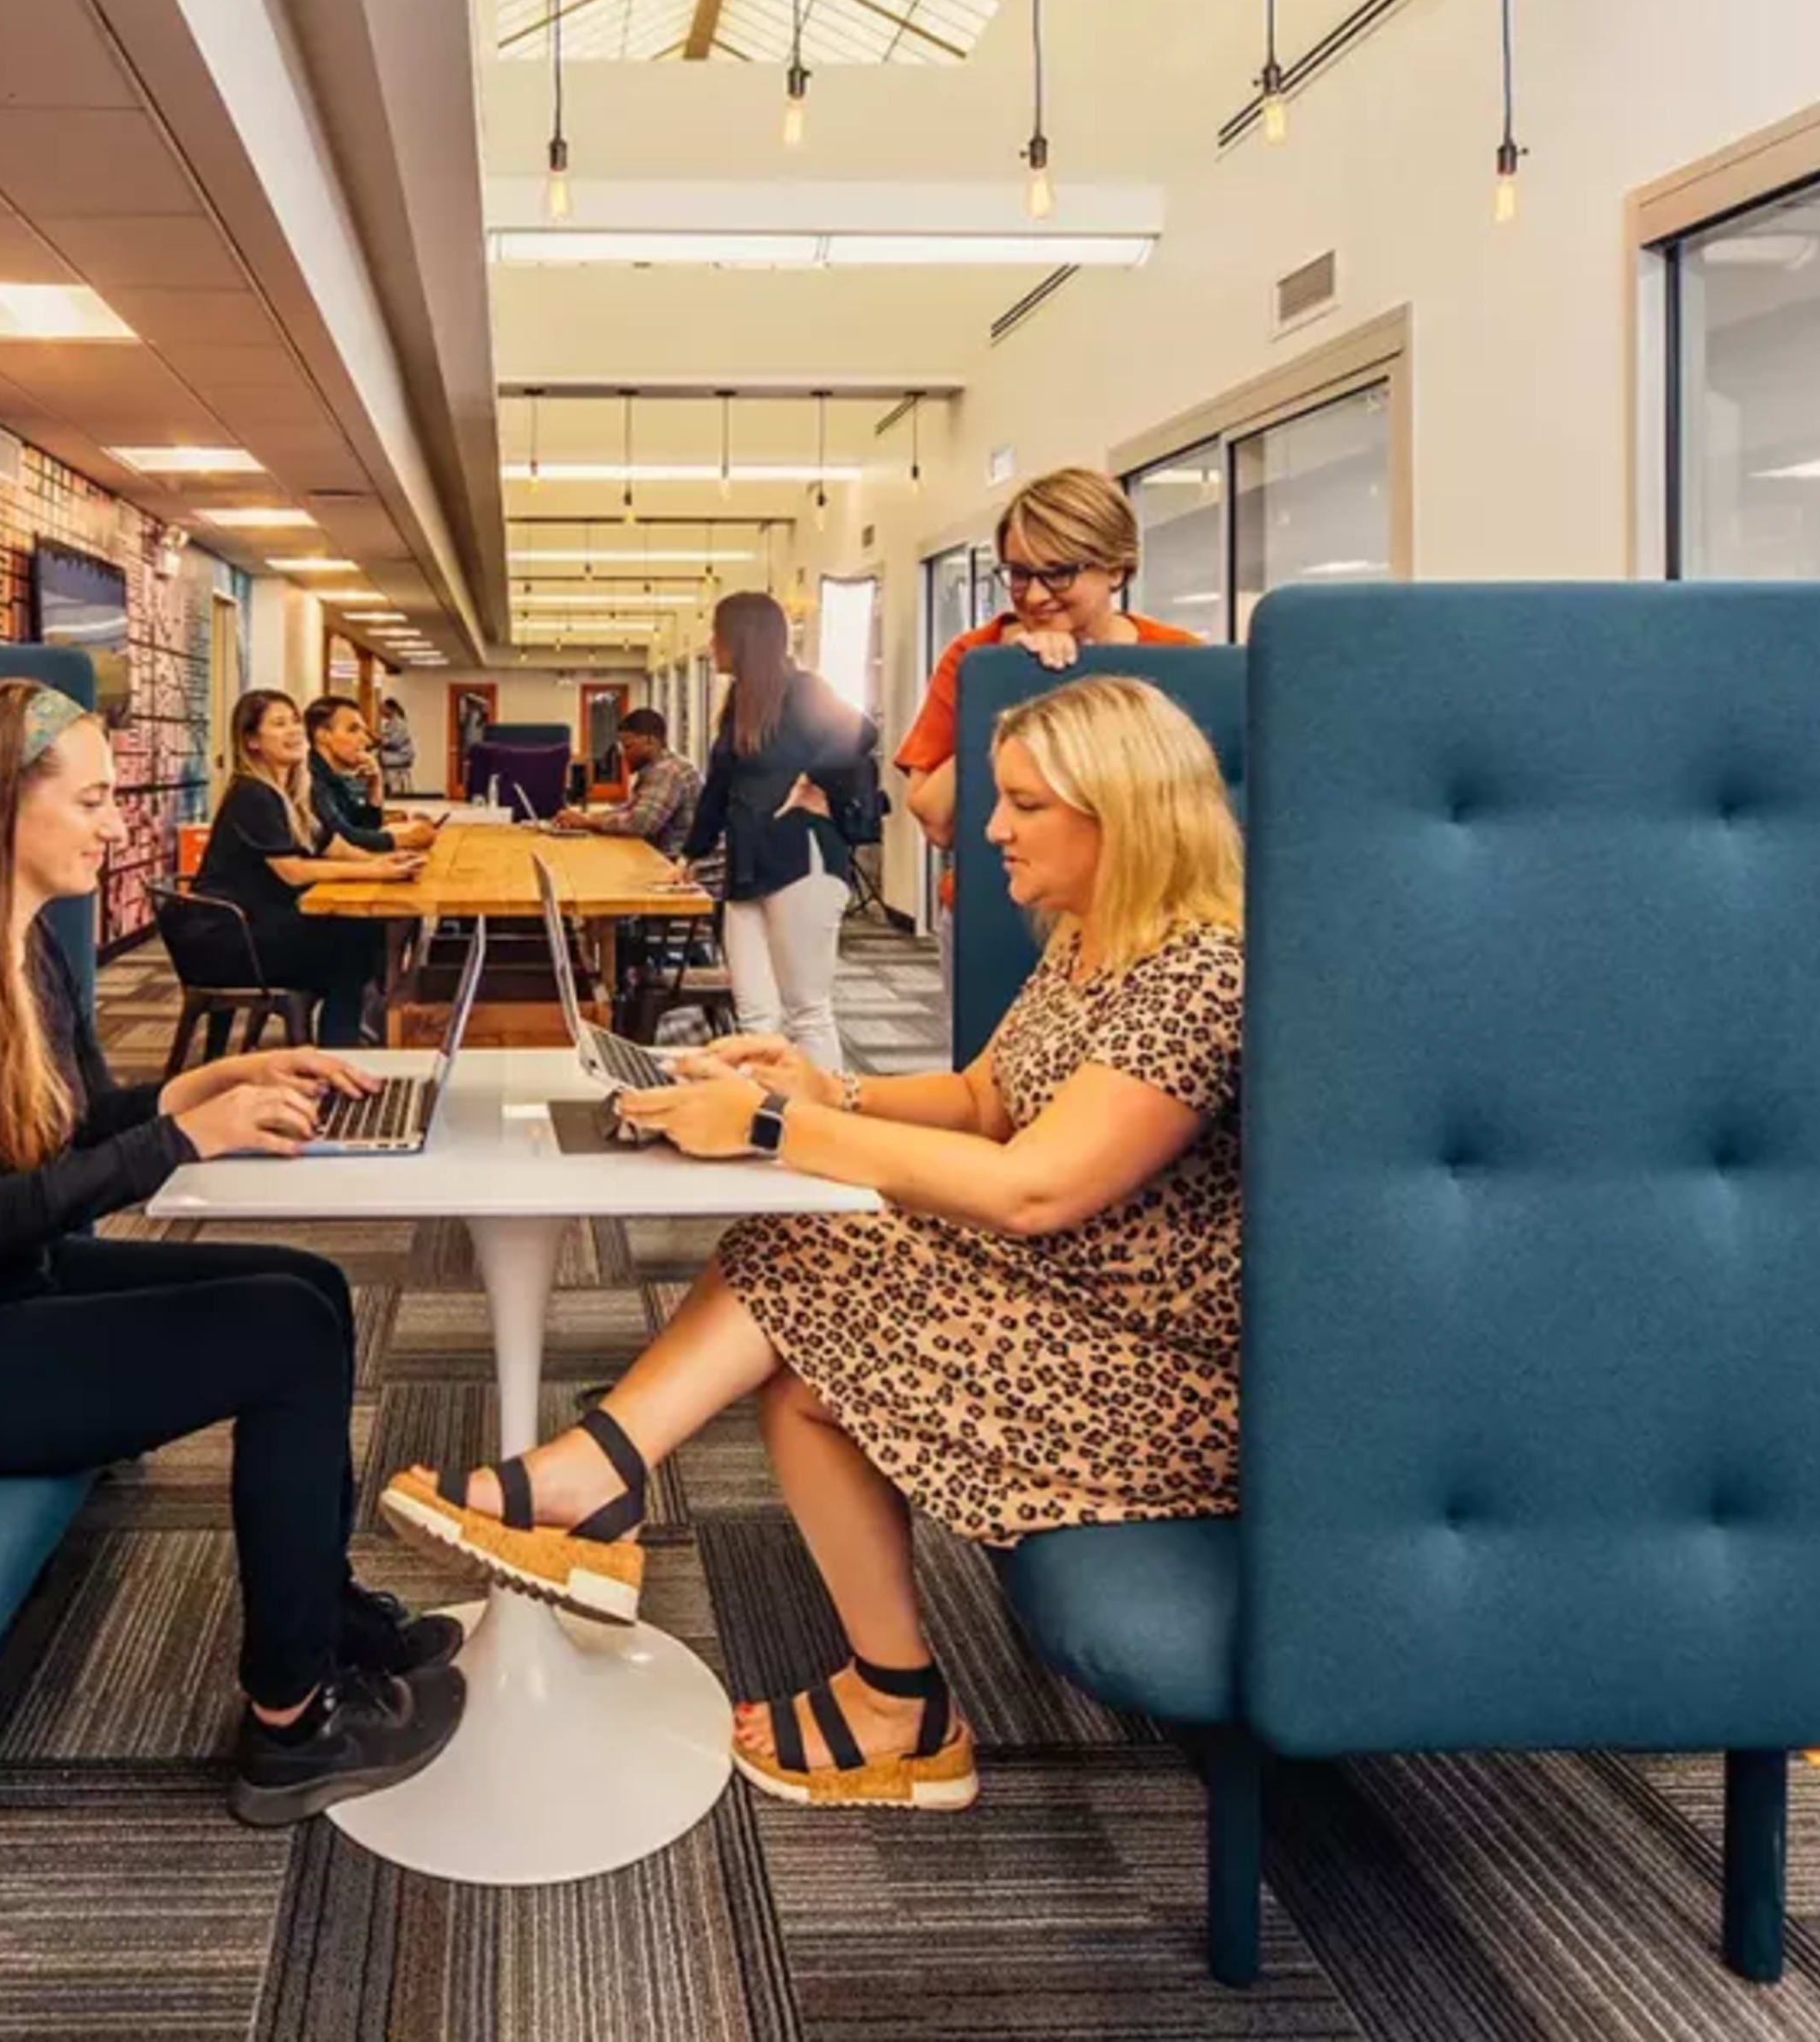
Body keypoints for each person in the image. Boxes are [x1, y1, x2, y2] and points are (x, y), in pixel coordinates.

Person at [382, 675, 1243, 1813]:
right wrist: (826, 1087)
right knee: (797, 1359)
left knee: (804, 1241)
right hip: (1066, 1308)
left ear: (1123, 812)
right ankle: (897, 1700)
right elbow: (989, 1099)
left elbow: (1036, 1190)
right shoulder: (1093, 939)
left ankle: (590, 1482)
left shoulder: (1198, 974)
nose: (988, 828)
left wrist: (784, 1127)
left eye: (1025, 806)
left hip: (1150, 1376)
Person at [0, 679, 464, 1827]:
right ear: (4, 806)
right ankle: (292, 1724)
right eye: (94, 800)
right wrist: (177, 1145)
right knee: (285, 1335)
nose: (119, 824)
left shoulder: (16, 944)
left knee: (314, 1286)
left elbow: (80, 1118)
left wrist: (221, 1082)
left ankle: (322, 1609)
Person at [896, 465, 1202, 862]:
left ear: (1116, 568)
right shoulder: (977, 658)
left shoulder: (1176, 658)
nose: (1036, 596)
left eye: (1059, 573)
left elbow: (1195, 820)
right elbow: (936, 820)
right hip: (1000, 896)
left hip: (1136, 901)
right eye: (1020, 574)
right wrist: (1019, 682)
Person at [674, 592, 880, 1073]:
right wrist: (690, 855)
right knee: (755, 1013)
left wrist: (814, 780)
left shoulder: (803, 690)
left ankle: (827, 1119)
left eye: (717, 634)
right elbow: (719, 787)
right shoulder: (741, 704)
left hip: (800, 860)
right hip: (746, 867)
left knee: (806, 1010)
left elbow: (861, 732)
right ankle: (762, 1118)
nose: (710, 646)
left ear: (742, 639)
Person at [197, 690, 413, 1046]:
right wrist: (377, 872)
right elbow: (293, 871)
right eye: (279, 724)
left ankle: (353, 1042)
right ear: (251, 741)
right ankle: (336, 1060)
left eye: (295, 721)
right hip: (233, 939)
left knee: (358, 937)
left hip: (263, 923)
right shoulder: (253, 794)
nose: (295, 731)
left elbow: (334, 846)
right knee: (353, 952)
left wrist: (383, 862)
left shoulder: (294, 791)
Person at [304, 697, 439, 855]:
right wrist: (405, 839)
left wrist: (375, 783)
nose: (365, 740)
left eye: (363, 731)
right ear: (323, 735)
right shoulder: (309, 777)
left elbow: (364, 827)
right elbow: (342, 837)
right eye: (353, 730)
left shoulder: (334, 777)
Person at [555, 706, 701, 844]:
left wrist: (587, 822)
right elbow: (629, 810)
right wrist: (584, 818)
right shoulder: (657, 768)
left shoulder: (667, 771)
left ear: (650, 741)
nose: (624, 754)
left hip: (677, 863)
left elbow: (641, 823)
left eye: (628, 747)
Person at [375, 695, 417, 798]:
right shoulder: (391, 723)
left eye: (383, 709)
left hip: (401, 755)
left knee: (376, 760)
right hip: (394, 754)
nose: (381, 712)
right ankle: (384, 789)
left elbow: (395, 742)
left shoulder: (399, 724)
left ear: (391, 709)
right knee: (375, 758)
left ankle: (390, 791)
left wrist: (379, 740)